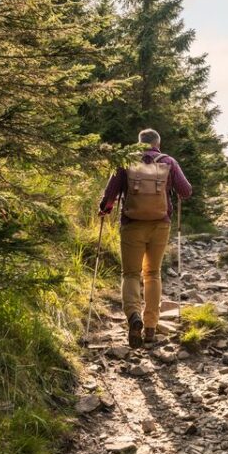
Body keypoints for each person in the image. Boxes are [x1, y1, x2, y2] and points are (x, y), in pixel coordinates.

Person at [99, 129, 192, 347]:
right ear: (158, 143)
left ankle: (134, 316)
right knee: (152, 273)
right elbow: (186, 191)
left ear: (139, 142)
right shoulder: (168, 161)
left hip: (132, 225)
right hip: (160, 225)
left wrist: (105, 209)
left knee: (131, 273)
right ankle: (150, 326)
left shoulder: (125, 162)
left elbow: (110, 195)